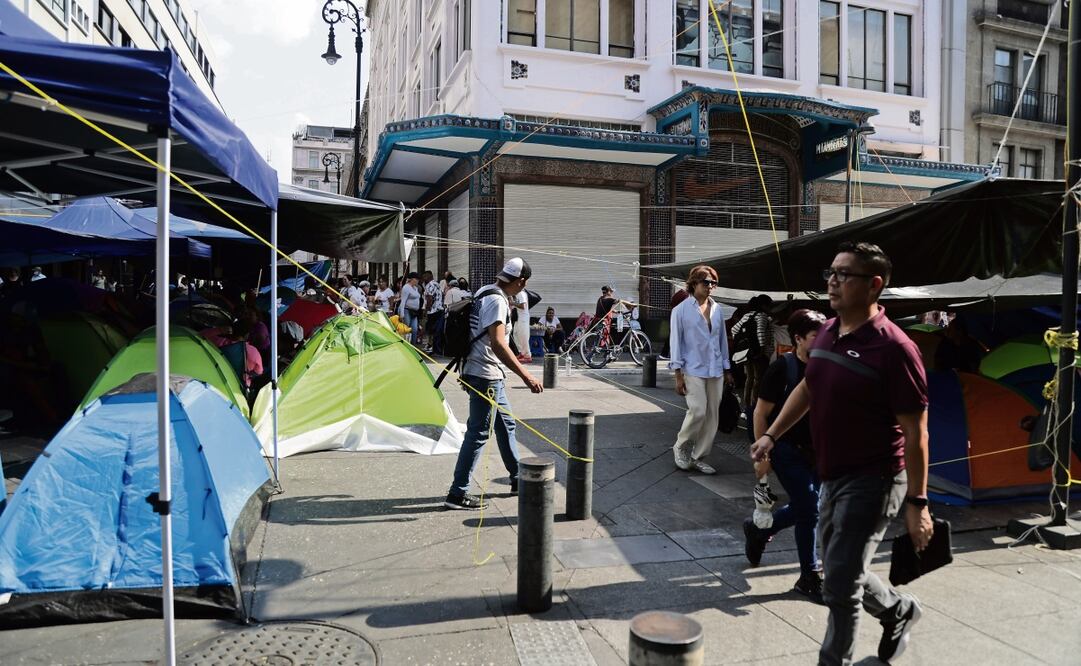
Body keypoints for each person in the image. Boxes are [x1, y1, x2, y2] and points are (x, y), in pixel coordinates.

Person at [750, 241, 933, 665]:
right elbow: (809, 387)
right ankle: (898, 609)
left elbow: (916, 432)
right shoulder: (829, 331)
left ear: (873, 286)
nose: (832, 281)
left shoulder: (896, 349)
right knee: (840, 568)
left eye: (843, 274)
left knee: (839, 586)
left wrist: (918, 503)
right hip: (830, 472)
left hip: (875, 479)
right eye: (830, 272)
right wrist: (772, 436)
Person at [743, 308, 828, 603]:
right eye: (817, 337)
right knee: (811, 510)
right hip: (786, 450)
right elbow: (760, 413)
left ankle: (758, 528)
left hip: (819, 451)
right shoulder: (783, 368)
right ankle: (809, 575)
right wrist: (762, 453)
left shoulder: (827, 367)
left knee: (810, 507)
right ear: (798, 339)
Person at [445, 258, 543, 510]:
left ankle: (517, 478)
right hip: (485, 373)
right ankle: (458, 493)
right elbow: (498, 344)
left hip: (480, 370)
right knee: (478, 433)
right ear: (521, 281)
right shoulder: (498, 301)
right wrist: (527, 376)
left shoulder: (484, 291)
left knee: (505, 424)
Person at [668, 265, 734, 475]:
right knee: (698, 410)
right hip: (692, 368)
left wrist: (727, 369)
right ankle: (681, 446)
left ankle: (698, 456)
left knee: (712, 415)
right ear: (694, 283)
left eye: (714, 282)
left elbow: (722, 341)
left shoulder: (717, 310)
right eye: (706, 282)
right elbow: (676, 343)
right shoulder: (680, 310)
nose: (711, 286)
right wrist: (678, 375)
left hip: (715, 369)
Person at [422, 270, 444, 354]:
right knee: (436, 330)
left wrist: (426, 310)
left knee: (430, 330)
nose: (424, 278)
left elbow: (429, 298)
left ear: (430, 276)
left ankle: (430, 346)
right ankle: (434, 347)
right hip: (439, 309)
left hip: (432, 311)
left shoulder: (429, 285)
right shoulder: (437, 284)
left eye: (425, 276)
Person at [399, 273, 422, 344]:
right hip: (407, 310)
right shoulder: (406, 288)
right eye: (416, 279)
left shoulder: (415, 288)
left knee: (414, 329)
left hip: (414, 312)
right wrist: (402, 314)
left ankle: (413, 345)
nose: (418, 281)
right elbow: (403, 301)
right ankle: (405, 344)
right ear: (412, 279)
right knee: (406, 328)